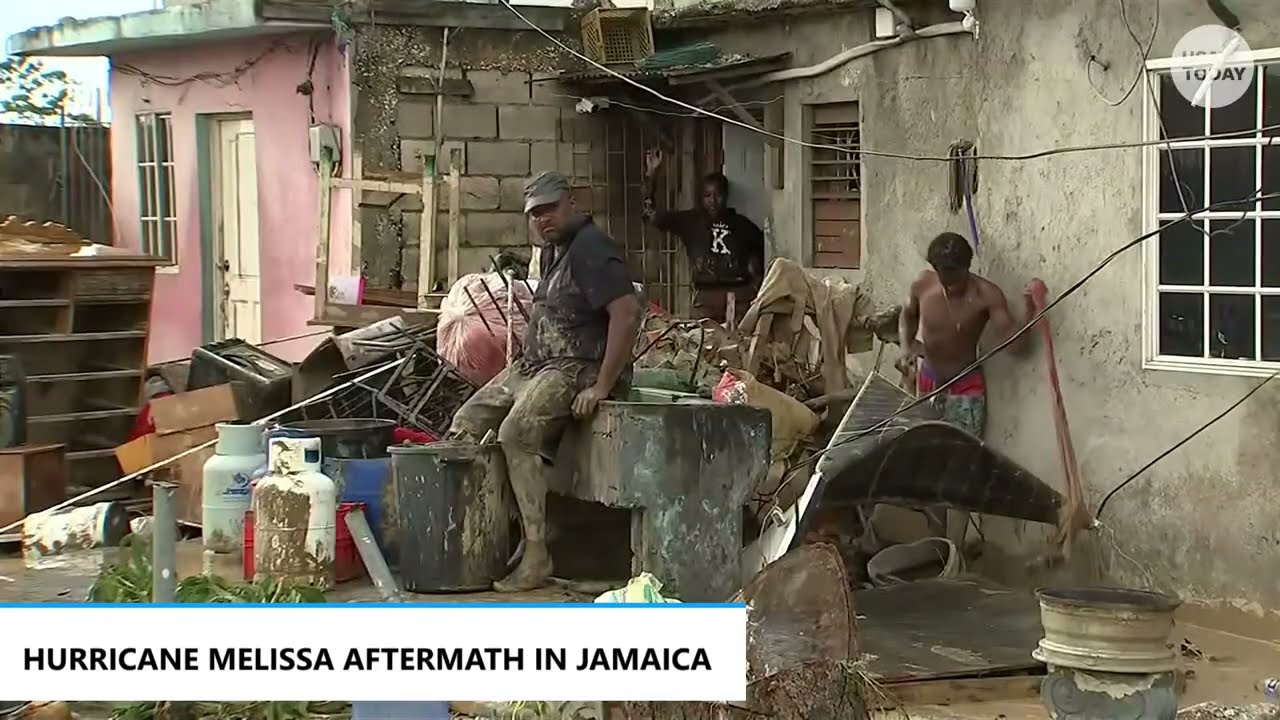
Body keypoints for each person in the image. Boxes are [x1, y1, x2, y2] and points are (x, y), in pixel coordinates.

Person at [446, 171, 642, 593]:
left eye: (550, 209)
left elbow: (626, 314)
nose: (543, 219)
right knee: (467, 422)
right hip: (538, 364)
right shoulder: (555, 250)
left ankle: (537, 554)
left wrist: (602, 385)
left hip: (577, 366)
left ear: (571, 203)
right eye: (535, 214)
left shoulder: (592, 248)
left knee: (516, 433)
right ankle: (500, 537)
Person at [897, 231, 1036, 438]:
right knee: (924, 448)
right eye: (944, 282)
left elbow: (1015, 347)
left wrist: (1029, 313)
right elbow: (907, 316)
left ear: (966, 268)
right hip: (928, 379)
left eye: (955, 283)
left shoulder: (987, 295)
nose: (948, 289)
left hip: (965, 386)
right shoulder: (923, 285)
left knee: (963, 454)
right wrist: (906, 347)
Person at [641, 148, 765, 323]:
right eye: (708, 195)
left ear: (726, 196)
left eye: (718, 195)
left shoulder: (742, 225)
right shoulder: (691, 221)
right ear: (701, 197)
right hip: (706, 297)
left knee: (740, 345)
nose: (713, 201)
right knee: (704, 344)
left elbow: (764, 251)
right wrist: (651, 176)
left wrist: (756, 281)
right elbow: (650, 215)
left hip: (740, 297)